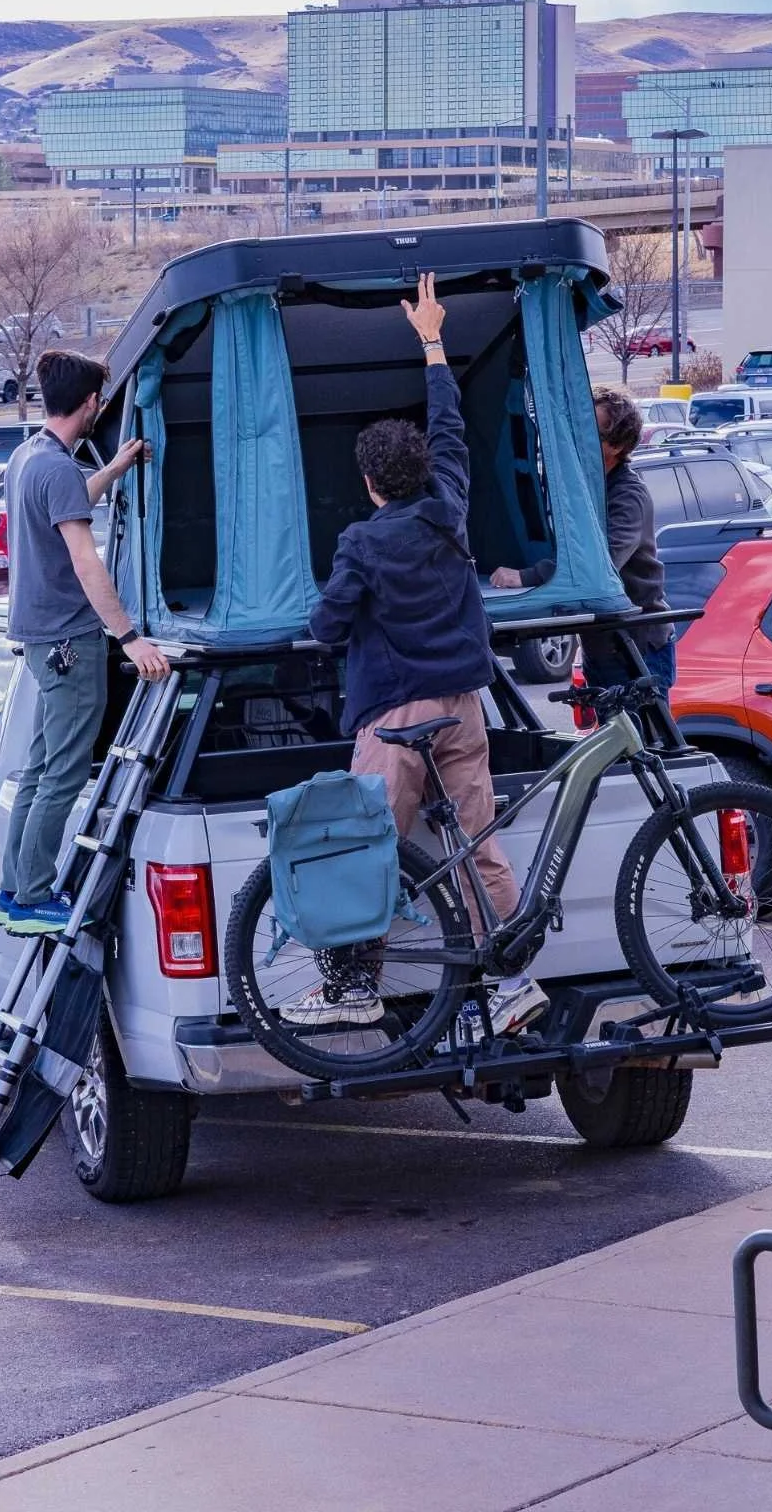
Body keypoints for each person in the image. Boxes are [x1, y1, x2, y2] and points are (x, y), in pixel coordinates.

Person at [306, 273, 547, 1037]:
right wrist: (433, 341)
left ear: (371, 484)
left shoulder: (363, 542)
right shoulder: (449, 503)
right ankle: (514, 983)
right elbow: (447, 428)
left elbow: (327, 626)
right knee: (480, 846)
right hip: (463, 706)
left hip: (396, 714)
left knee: (365, 848)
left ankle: (354, 987)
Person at [0, 348, 171, 936]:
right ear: (93, 403)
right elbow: (85, 560)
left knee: (39, 767)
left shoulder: (30, 458)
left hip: (42, 642)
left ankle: (15, 889)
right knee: (64, 774)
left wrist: (115, 468)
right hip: (72, 641)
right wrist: (129, 638)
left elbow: (68, 500)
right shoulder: (55, 469)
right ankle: (35, 897)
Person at [491, 384, 675, 691]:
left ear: (616, 446)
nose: (579, 438)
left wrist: (526, 577)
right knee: (610, 735)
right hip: (601, 647)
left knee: (641, 739)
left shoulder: (628, 495)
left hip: (637, 647)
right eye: (578, 428)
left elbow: (598, 566)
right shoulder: (588, 489)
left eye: (592, 432)